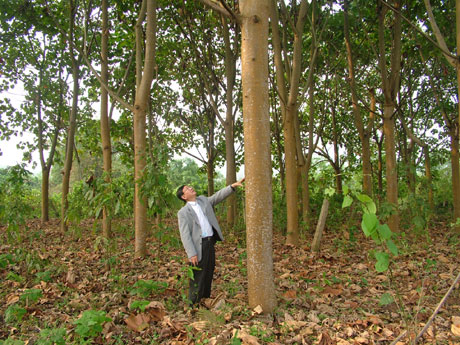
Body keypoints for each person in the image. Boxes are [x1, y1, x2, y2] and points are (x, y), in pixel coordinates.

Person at [176, 178, 245, 306]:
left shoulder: (203, 201)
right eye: (187, 189)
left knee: (209, 271)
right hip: (198, 246)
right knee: (198, 275)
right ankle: (193, 303)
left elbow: (217, 196)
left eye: (190, 187)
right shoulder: (183, 213)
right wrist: (191, 253)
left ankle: (205, 300)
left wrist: (232, 187)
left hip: (209, 243)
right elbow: (185, 235)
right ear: (184, 196)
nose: (191, 188)